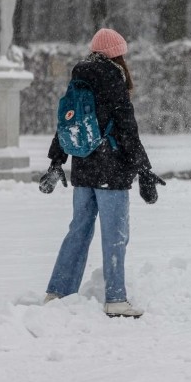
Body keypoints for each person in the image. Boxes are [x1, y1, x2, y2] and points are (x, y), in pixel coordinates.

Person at [39, 28, 165, 318]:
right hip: (112, 168)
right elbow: (127, 127)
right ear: (116, 54)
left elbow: (67, 122)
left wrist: (56, 161)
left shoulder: (79, 77)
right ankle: (116, 299)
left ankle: (58, 292)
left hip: (82, 167)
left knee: (78, 231)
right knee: (115, 236)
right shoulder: (113, 78)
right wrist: (143, 168)